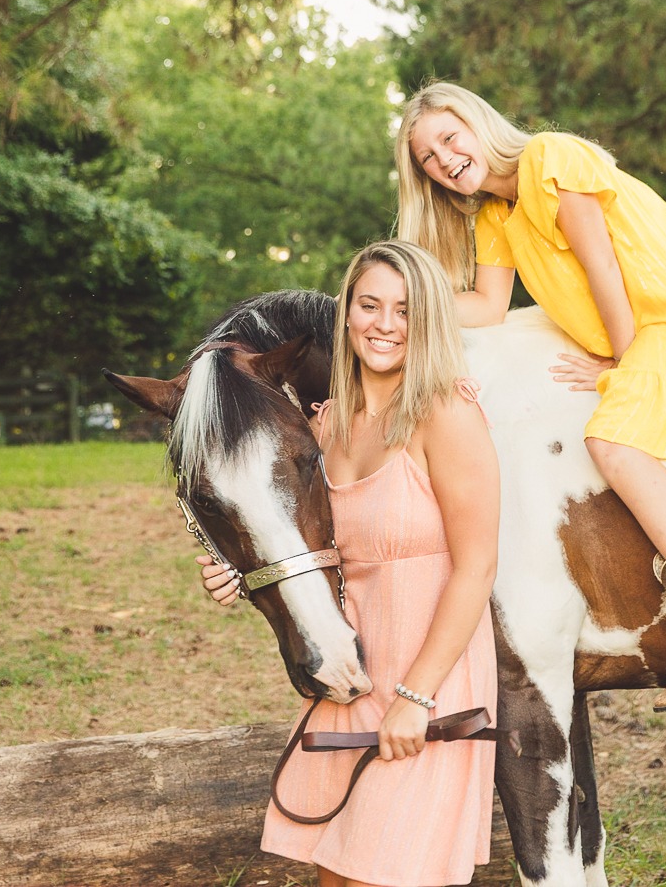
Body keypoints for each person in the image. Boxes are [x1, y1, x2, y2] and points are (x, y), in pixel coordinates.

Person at [394, 81, 666, 713]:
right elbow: (486, 307)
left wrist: (616, 361)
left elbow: (602, 265)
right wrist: (398, 303)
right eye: (428, 159)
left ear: (478, 126)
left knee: (611, 442)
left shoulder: (550, 158)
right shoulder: (495, 218)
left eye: (448, 139)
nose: (444, 161)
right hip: (640, 329)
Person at [200, 240, 500, 887]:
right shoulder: (325, 426)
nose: (384, 324)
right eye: (369, 305)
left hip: (431, 674)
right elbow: (305, 547)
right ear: (346, 316)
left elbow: (477, 567)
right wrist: (236, 572)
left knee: (388, 871)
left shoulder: (445, 414)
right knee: (336, 873)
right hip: (352, 670)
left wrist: (417, 697)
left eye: (403, 309)